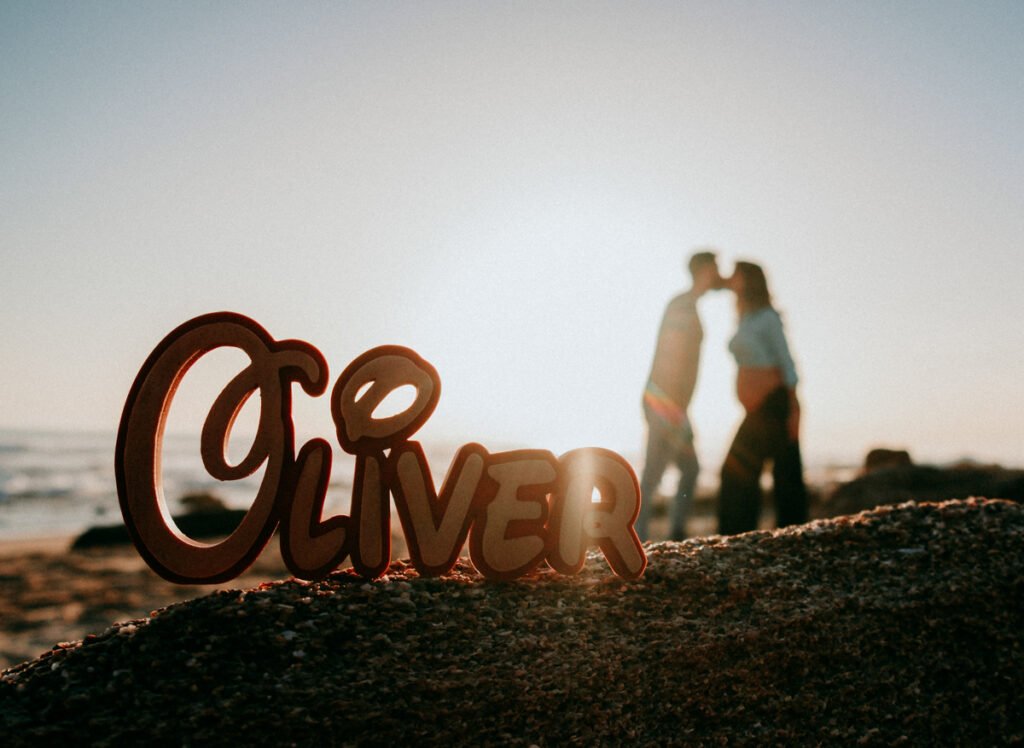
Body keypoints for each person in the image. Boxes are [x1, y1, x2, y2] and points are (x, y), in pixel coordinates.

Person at [636, 250, 722, 541]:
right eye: (715, 268)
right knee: (659, 474)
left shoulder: (688, 304)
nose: (718, 273)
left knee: (678, 470)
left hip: (668, 403)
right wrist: (670, 408)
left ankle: (659, 533)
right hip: (665, 404)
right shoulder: (682, 305)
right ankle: (643, 535)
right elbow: (669, 357)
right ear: (703, 271)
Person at [718, 261, 808, 534]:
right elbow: (719, 284)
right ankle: (746, 533)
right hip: (758, 408)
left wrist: (794, 407)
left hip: (774, 402)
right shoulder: (746, 316)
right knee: (760, 471)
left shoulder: (767, 317)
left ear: (748, 280)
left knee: (767, 472)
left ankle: (774, 533)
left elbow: (787, 362)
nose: (731, 278)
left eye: (736, 274)